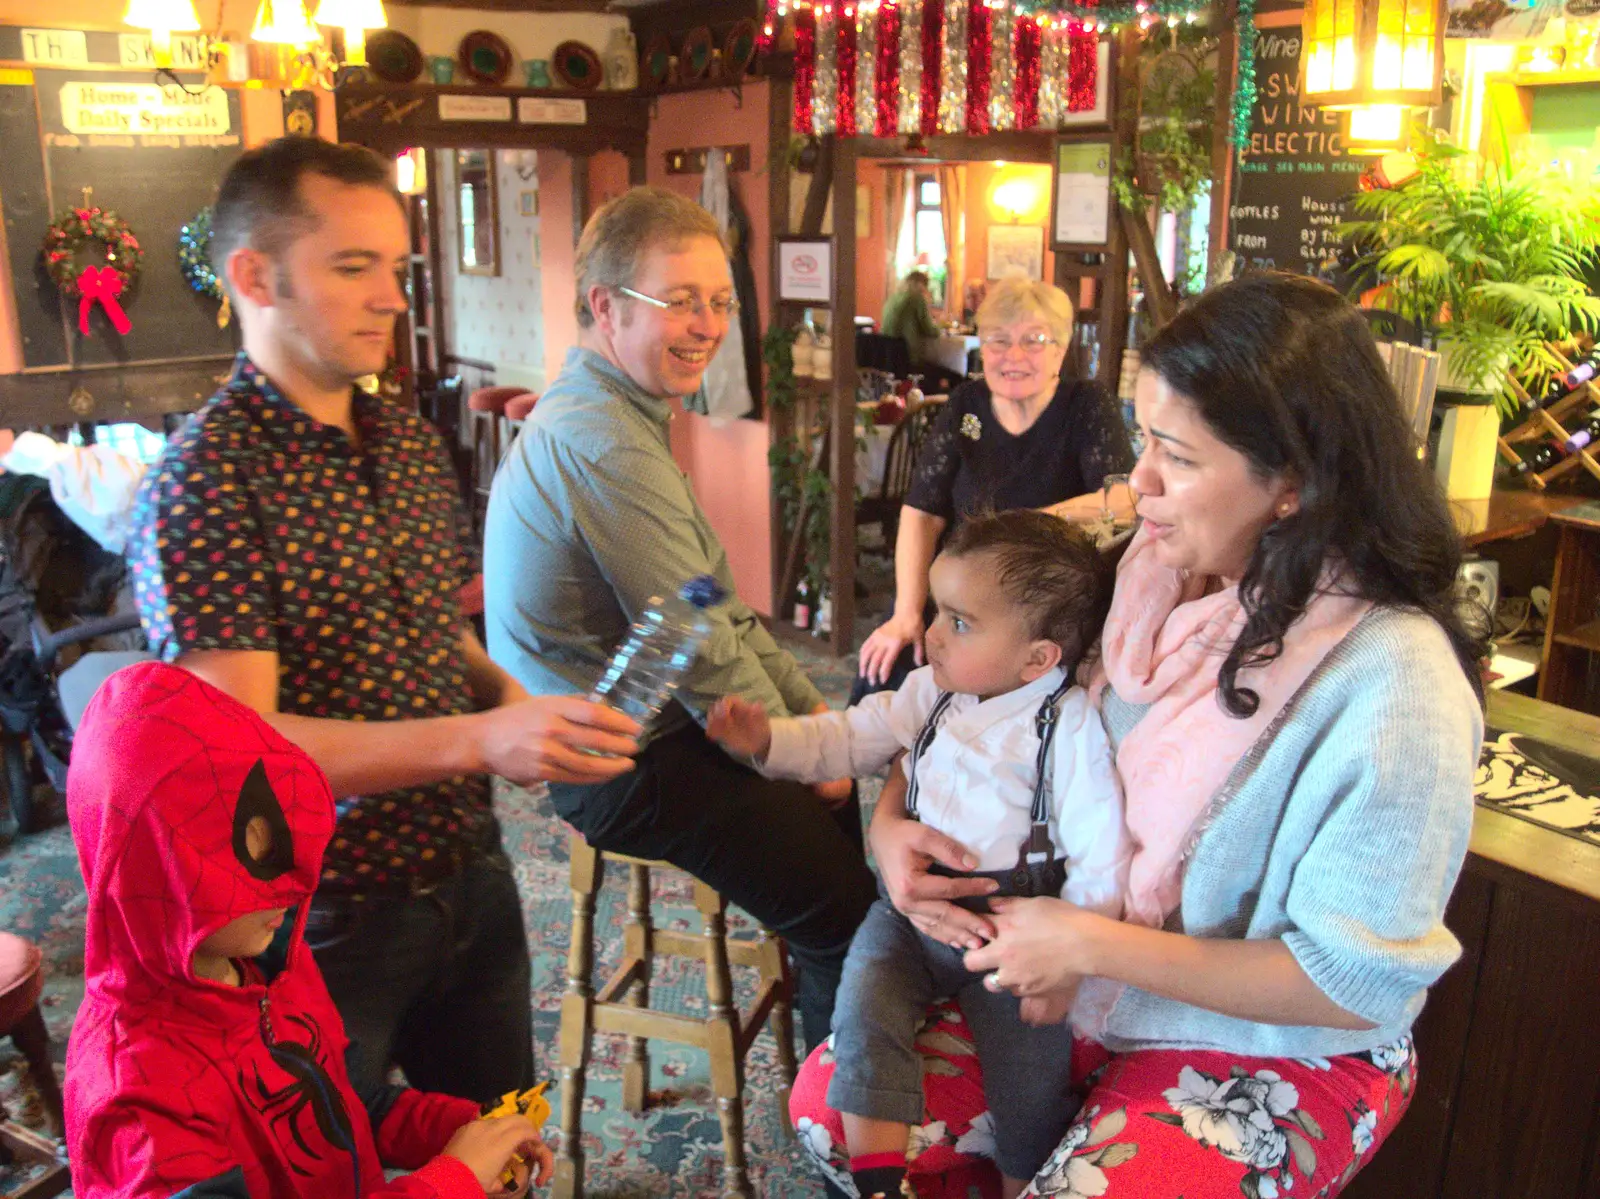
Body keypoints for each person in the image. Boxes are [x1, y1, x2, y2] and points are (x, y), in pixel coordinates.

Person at [789, 272, 1486, 1198]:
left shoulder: (1393, 683)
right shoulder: (1139, 575)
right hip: (1077, 974)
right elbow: (978, 713)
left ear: (1293, 483)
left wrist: (1089, 945)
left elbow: (1352, 979)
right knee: (834, 1109)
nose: (1139, 481)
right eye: (1142, 437)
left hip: (1266, 1039)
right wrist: (890, 826)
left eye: (1177, 455)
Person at [128, 136, 641, 1104]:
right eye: (353, 266)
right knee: (325, 1169)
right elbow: (241, 752)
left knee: (496, 1146)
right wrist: (485, 736)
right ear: (255, 276)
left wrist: (527, 706)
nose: (392, 297)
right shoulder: (205, 478)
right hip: (320, 919)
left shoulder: (403, 436)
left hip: (470, 873)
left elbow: (425, 635)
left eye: (395, 268)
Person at [483, 185, 877, 1051]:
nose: (706, 324)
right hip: (615, 754)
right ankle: (843, 1129)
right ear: (605, 306)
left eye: (719, 303)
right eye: (681, 301)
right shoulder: (605, 440)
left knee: (836, 801)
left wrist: (810, 720)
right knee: (852, 919)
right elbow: (694, 647)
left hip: (653, 713)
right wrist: (797, 749)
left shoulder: (623, 414)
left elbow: (714, 602)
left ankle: (839, 1035)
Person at [708, 511, 1129, 1199]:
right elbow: (847, 737)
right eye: (936, 609)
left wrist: (1068, 957)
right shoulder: (928, 691)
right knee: (864, 1004)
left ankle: (1023, 1181)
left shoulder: (1066, 722)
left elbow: (1099, 850)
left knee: (1030, 1075)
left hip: (1011, 925)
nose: (930, 632)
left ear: (1037, 658)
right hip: (909, 913)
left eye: (960, 621)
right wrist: (768, 741)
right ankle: (875, 1184)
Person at [64, 660, 555, 1199]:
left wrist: (467, 1129)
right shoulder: (139, 1104)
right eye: (249, 860)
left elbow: (353, 1106)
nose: (293, 886)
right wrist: (451, 1182)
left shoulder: (274, 962)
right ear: (157, 872)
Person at [856, 277, 1135, 699]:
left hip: (1040, 614)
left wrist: (1023, 528)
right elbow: (922, 512)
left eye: (1034, 341)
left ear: (1060, 350)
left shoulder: (1086, 406)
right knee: (884, 672)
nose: (1014, 356)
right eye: (998, 341)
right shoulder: (967, 407)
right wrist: (907, 613)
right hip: (960, 605)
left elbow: (1124, 500)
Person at [879, 271, 965, 393]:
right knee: (955, 376)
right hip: (909, 359)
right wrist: (940, 328)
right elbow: (930, 330)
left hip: (888, 360)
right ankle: (941, 407)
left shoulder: (893, 298)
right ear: (921, 284)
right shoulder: (916, 298)